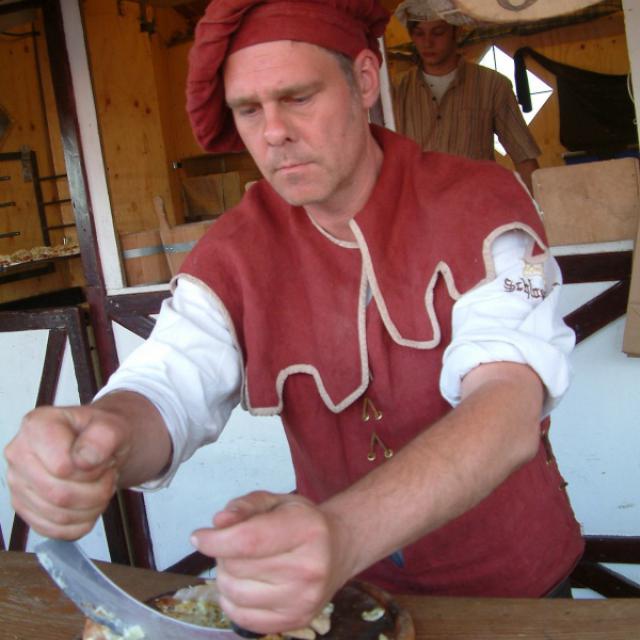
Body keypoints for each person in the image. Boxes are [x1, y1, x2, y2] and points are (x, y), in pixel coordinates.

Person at [4, 0, 583, 635]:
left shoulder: (481, 203)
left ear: (365, 79)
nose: (273, 132)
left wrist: (342, 531)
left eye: (298, 97)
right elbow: (168, 384)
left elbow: (506, 405)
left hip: (517, 592)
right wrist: (104, 437)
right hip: (345, 607)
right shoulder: (236, 250)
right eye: (249, 110)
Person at [392, 0, 541, 192]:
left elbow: (524, 156)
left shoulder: (492, 85)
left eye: (438, 32)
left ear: (457, 31)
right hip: (417, 204)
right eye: (419, 33)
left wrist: (538, 205)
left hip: (476, 202)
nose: (427, 42)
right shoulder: (395, 89)